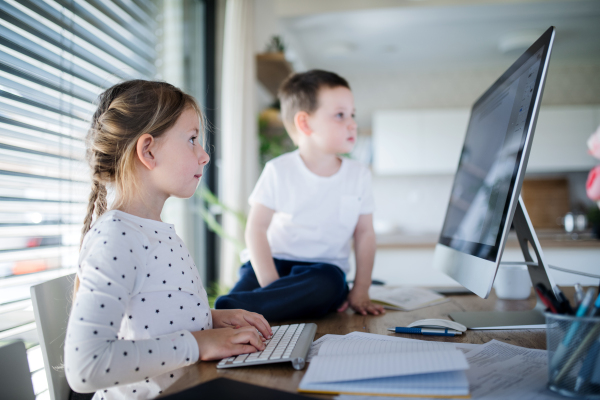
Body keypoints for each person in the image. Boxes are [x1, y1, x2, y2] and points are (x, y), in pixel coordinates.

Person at [64, 80, 271, 399]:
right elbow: (85, 367)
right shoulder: (117, 237)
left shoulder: (152, 231)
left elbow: (149, 314)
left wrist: (211, 320)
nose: (204, 156)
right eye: (191, 140)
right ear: (147, 150)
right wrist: (200, 342)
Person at [215, 70, 385, 320]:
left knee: (330, 284)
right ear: (305, 123)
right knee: (253, 288)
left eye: (352, 115)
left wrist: (360, 289)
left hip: (321, 272)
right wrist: (271, 284)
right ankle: (241, 310)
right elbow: (256, 229)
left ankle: (232, 313)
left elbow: (365, 233)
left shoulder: (358, 175)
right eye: (340, 115)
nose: (352, 123)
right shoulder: (278, 170)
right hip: (269, 265)